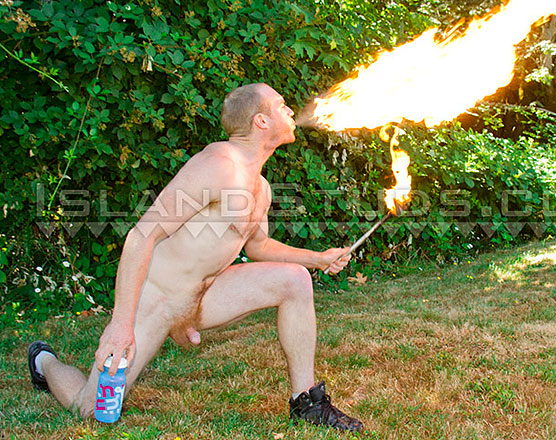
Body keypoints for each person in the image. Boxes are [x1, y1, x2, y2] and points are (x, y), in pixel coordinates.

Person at [27, 83, 364, 432]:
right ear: (261, 121)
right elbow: (142, 236)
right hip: (158, 300)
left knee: (294, 280)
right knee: (90, 409)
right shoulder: (217, 165)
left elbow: (258, 246)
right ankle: (45, 361)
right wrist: (120, 326)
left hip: (205, 296)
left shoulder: (260, 188)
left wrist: (317, 258)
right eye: (281, 105)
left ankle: (307, 403)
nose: (291, 110)